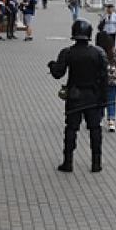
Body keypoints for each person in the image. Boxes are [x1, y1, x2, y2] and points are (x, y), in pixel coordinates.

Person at [48, 19, 108, 173]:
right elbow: (104, 78)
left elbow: (58, 73)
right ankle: (96, 163)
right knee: (95, 130)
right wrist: (104, 99)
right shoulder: (98, 53)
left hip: (74, 96)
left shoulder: (67, 52)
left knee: (71, 129)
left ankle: (68, 162)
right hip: (93, 96)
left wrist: (52, 65)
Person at [96, 35, 116, 132]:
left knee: (100, 100)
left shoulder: (98, 53)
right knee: (111, 101)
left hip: (101, 80)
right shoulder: (115, 52)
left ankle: (99, 119)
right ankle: (111, 122)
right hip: (114, 80)